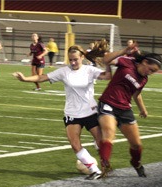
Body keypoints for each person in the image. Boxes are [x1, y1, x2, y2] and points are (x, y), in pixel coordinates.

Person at [13, 43, 112, 180]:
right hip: (72, 113)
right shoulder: (64, 71)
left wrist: (107, 63)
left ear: (82, 57)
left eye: (75, 59)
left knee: (101, 142)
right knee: (74, 144)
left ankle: (105, 165)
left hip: (90, 112)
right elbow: (43, 77)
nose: (72, 62)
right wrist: (25, 79)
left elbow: (107, 76)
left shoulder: (89, 70)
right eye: (70, 59)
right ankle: (94, 170)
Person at [97, 42, 162, 178]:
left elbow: (136, 95)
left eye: (153, 72)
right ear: (144, 62)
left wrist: (143, 109)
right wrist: (124, 51)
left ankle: (136, 163)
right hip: (108, 102)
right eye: (150, 69)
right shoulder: (127, 61)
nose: (150, 73)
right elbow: (106, 59)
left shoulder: (144, 79)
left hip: (125, 109)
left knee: (136, 145)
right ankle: (105, 164)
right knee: (109, 133)